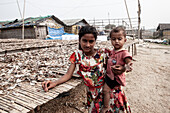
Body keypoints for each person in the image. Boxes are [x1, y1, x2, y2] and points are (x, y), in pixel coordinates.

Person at [41, 26, 130, 113]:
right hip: (93, 96)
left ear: (95, 41)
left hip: (111, 92)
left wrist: (122, 69)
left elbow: (121, 62)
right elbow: (68, 74)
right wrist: (55, 82)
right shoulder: (77, 56)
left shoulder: (104, 53)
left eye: (91, 41)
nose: (87, 45)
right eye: (84, 41)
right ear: (79, 40)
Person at [102, 26, 132, 113]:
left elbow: (129, 63)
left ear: (125, 40)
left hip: (115, 77)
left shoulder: (124, 52)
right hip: (110, 75)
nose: (116, 41)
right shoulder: (113, 51)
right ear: (110, 40)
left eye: (119, 39)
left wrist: (124, 68)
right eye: (114, 39)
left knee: (105, 90)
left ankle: (106, 106)